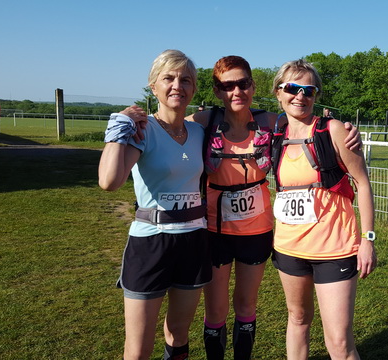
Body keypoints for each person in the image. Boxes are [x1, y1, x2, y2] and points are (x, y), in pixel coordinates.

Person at [186, 55, 362, 360]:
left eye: (243, 83)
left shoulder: (271, 121)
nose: (237, 91)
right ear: (217, 90)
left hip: (257, 229)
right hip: (215, 228)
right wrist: (132, 117)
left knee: (246, 306)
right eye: (228, 85)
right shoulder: (205, 122)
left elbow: (305, 121)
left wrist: (346, 131)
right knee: (215, 310)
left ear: (254, 87)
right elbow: (170, 122)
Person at [98, 49, 211, 360]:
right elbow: (109, 182)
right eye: (169, 78)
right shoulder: (143, 129)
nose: (178, 85)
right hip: (151, 243)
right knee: (139, 347)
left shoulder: (200, 130)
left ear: (194, 88)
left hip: (193, 239)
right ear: (154, 86)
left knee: (178, 333)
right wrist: (117, 128)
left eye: (186, 80)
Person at [270, 59, 377, 360]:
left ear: (316, 96)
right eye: (292, 88)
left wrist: (367, 239)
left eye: (309, 90)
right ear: (278, 93)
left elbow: (363, 184)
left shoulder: (333, 131)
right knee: (298, 320)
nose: (300, 96)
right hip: (289, 248)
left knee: (339, 343)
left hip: (335, 249)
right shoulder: (275, 132)